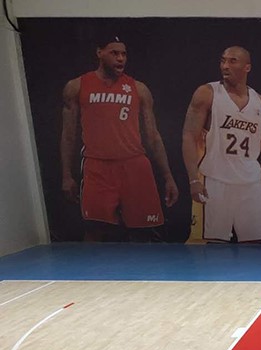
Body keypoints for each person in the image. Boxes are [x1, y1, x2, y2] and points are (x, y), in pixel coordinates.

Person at [60, 35, 178, 242]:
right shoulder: (77, 86)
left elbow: (153, 136)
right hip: (97, 166)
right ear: (99, 53)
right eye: (114, 53)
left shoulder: (139, 89)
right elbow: (68, 135)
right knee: (95, 232)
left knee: (145, 234)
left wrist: (168, 176)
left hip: (134, 165)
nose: (121, 58)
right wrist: (66, 175)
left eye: (124, 54)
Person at [182, 46, 261, 243]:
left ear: (247, 67)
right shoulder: (207, 93)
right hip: (215, 180)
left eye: (232, 61)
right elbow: (189, 136)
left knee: (256, 247)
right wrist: (193, 180)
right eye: (223, 61)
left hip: (251, 183)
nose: (225, 66)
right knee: (213, 247)